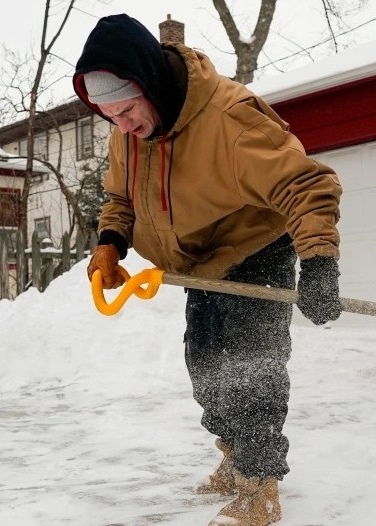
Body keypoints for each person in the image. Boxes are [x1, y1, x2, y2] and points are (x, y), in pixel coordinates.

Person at [73, 14, 342, 526]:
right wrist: (110, 242)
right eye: (110, 117)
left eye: (127, 110)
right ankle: (234, 456)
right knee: (206, 369)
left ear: (149, 82)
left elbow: (307, 187)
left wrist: (320, 264)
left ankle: (260, 486)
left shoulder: (230, 118)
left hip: (254, 250)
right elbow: (119, 199)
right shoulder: (126, 134)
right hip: (199, 264)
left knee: (251, 370)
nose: (122, 124)